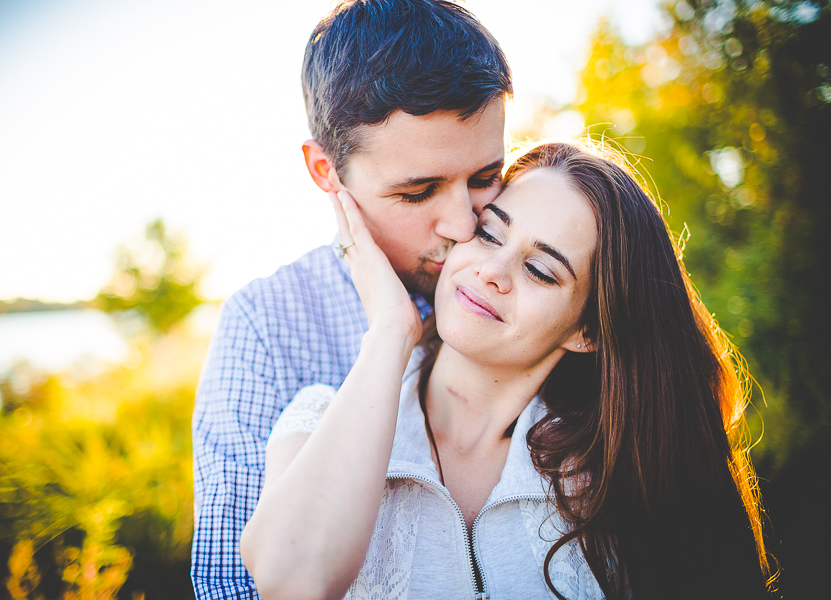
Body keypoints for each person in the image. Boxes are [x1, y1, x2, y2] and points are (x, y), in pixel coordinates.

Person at [240, 141, 773, 600]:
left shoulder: (623, 471)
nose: (493, 272)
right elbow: (293, 584)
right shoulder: (317, 420)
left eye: (540, 270)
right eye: (490, 234)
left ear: (586, 331)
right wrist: (389, 330)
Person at [191, 1, 512, 597]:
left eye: (485, 176)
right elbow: (232, 586)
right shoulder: (266, 325)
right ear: (325, 171)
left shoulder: (546, 290)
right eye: (418, 193)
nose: (465, 226)